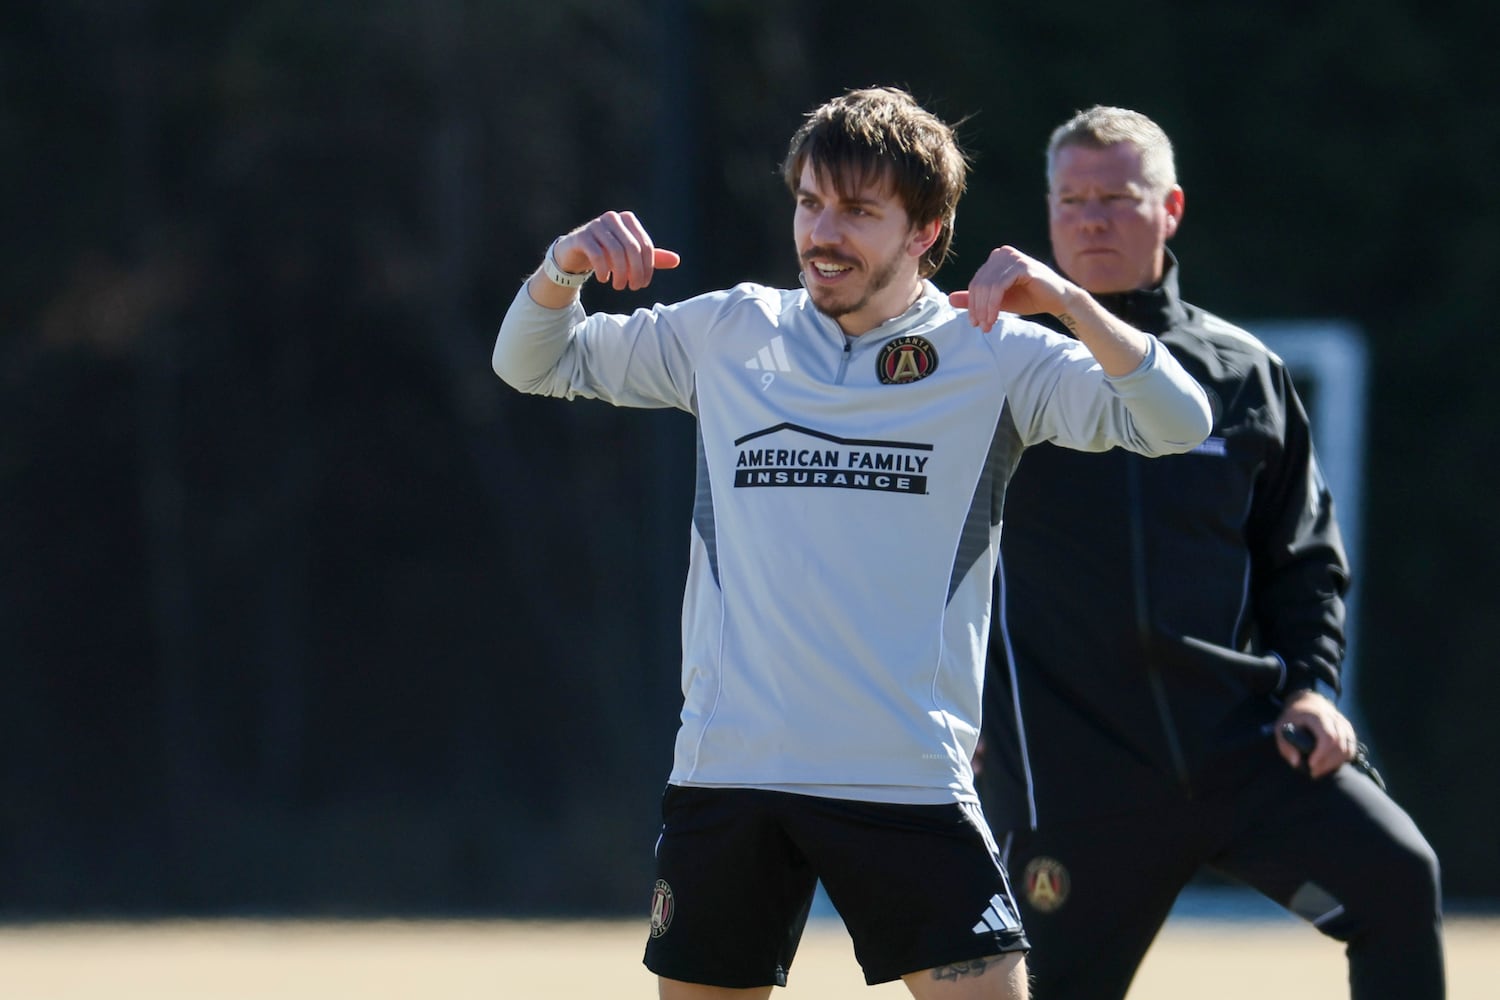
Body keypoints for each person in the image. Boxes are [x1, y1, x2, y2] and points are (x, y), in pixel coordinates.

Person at [493, 87, 1212, 1000]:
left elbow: (1179, 422)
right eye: (809, 202)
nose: (822, 233)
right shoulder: (729, 330)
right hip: (732, 771)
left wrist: (1069, 302)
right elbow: (530, 360)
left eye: (859, 211)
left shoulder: (991, 352)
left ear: (926, 230)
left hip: (905, 777)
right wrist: (564, 267)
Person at [977, 105, 1445, 999]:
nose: (1091, 219)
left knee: (1397, 878)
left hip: (1240, 750)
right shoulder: (992, 369)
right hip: (1071, 776)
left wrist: (1311, 683)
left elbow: (1302, 559)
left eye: (1116, 196)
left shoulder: (1242, 374)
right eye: (1070, 199)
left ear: (1172, 208)